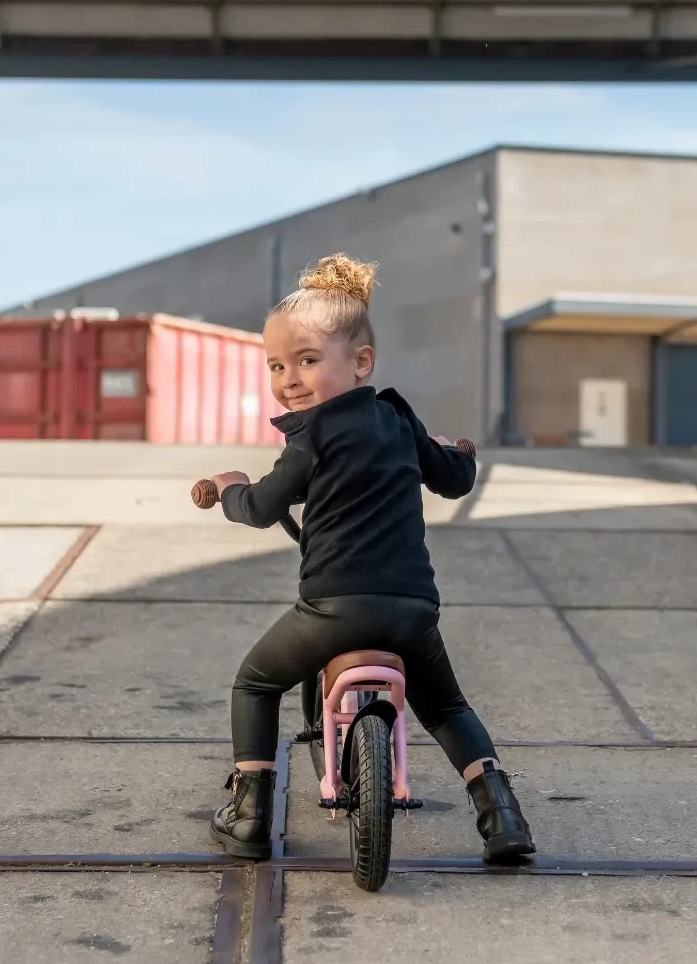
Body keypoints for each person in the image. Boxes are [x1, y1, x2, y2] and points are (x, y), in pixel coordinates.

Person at [207, 253, 535, 863]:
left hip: (332, 609)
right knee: (447, 707)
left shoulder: (310, 436)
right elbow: (454, 480)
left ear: (361, 362)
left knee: (255, 682)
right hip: (412, 609)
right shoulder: (399, 419)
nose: (289, 378)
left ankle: (249, 815)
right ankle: (503, 817)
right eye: (276, 365)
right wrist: (459, 453)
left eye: (307, 360)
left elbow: (261, 507)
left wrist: (230, 490)